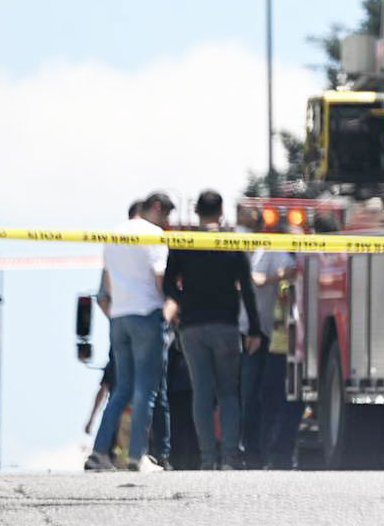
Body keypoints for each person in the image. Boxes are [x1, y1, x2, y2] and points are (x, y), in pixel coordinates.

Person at [163, 189, 263, 470]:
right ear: (221, 213)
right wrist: (254, 329)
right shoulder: (230, 242)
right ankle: (230, 457)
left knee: (202, 393)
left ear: (196, 212)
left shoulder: (184, 241)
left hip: (192, 328)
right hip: (226, 326)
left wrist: (182, 304)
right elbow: (248, 289)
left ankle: (207, 459)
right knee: (229, 393)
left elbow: (169, 284)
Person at [85, 192, 174, 472]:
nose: (166, 222)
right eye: (165, 215)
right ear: (156, 209)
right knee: (145, 392)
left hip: (119, 317)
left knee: (121, 389)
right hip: (146, 314)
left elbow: (107, 282)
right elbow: (160, 279)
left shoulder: (113, 235)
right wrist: (170, 308)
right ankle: (137, 456)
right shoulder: (154, 234)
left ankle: (99, 452)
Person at [253, 235, 301, 469]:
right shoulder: (287, 273)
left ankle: (280, 456)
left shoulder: (301, 272)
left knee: (286, 406)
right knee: (273, 404)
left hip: (291, 351)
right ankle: (272, 456)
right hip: (280, 349)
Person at [236, 205, 270, 468]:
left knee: (254, 395)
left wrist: (266, 277)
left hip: (260, 335)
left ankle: (253, 451)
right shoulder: (232, 246)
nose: (241, 225)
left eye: (245, 220)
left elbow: (289, 269)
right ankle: (240, 449)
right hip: (235, 332)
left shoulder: (269, 248)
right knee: (237, 395)